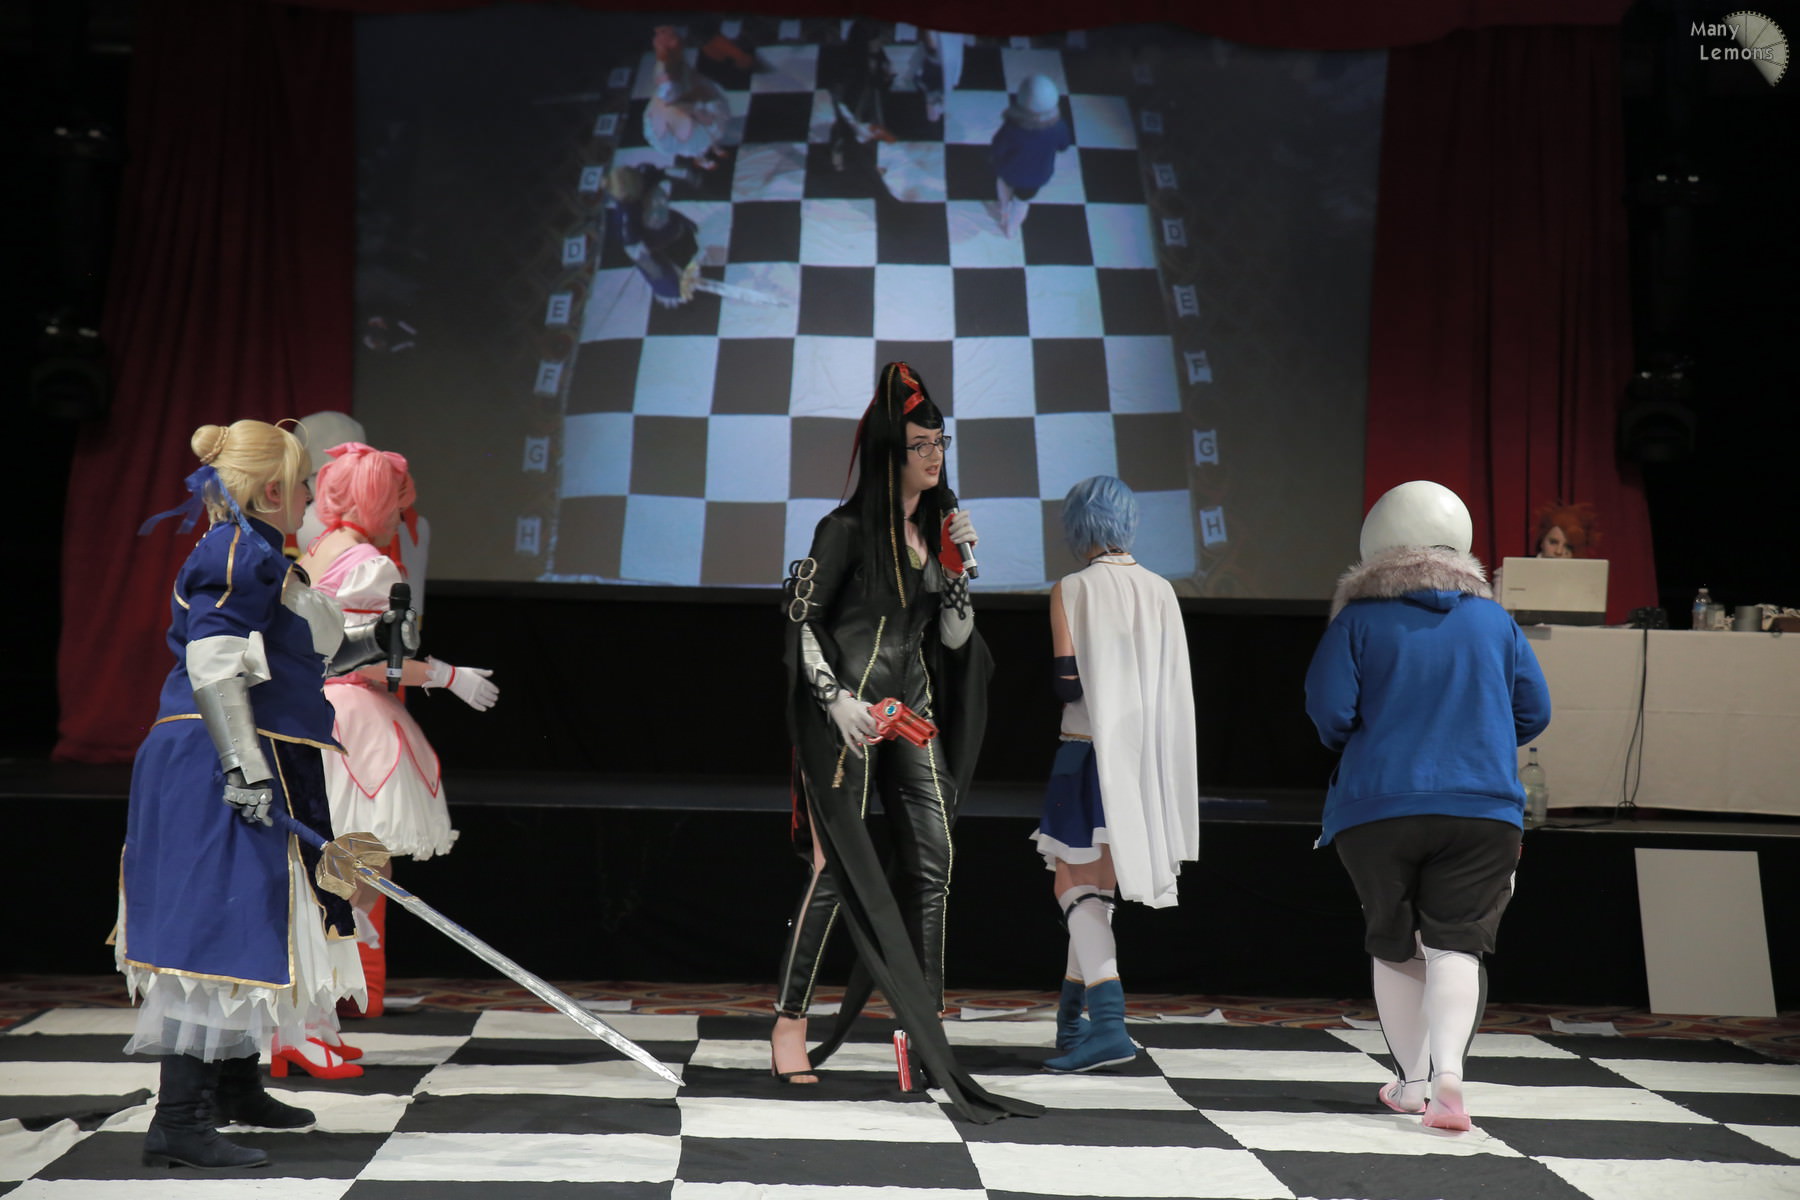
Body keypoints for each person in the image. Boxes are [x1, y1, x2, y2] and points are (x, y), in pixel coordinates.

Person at [118, 419, 409, 1168]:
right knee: (216, 922)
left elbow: (300, 656)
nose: (312, 494)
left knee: (258, 917)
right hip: (218, 758)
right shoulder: (238, 551)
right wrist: (241, 768)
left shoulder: (267, 558)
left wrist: (377, 642)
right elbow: (215, 660)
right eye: (303, 483)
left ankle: (234, 1086)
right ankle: (178, 1122)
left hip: (265, 752)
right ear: (273, 490)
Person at [772, 361, 1038, 1124]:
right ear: (891, 452)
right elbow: (800, 620)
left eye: (941, 443)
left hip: (911, 711)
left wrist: (958, 570)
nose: (935, 456)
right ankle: (789, 1022)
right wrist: (834, 700)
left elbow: (952, 637)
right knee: (835, 870)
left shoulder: (935, 529)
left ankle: (924, 1032)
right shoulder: (844, 530)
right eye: (922, 444)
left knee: (935, 861)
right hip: (850, 715)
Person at [1304, 480, 1551, 1132]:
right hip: (1483, 809)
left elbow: (1329, 714)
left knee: (1395, 945)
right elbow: (1535, 711)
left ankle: (1411, 1084)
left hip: (1378, 807)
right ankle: (1449, 1082)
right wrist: (1479, 732)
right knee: (1455, 945)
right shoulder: (1496, 621)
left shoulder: (1357, 620)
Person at [295, 442, 498, 1024]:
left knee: (340, 866)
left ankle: (318, 1013)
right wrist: (445, 675)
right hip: (352, 719)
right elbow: (360, 659)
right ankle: (316, 1014)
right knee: (359, 867)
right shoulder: (368, 563)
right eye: (397, 504)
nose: (400, 517)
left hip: (311, 713)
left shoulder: (317, 552)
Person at [1033, 476, 1199, 1073]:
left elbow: (1066, 684)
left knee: (1073, 885)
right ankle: (1072, 1023)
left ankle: (1107, 1026)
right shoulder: (1161, 589)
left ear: (1077, 525)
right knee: (1095, 893)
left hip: (1086, 753)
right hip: (1144, 760)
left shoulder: (1072, 588)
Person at [294, 411, 431, 609]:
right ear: (377, 504)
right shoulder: (368, 564)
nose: (399, 521)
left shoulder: (315, 551)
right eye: (396, 508)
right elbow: (363, 630)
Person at [601, 164, 702, 309]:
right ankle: (674, 290)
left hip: (666, 221)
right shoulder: (625, 217)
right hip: (649, 239)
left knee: (687, 242)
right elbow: (636, 251)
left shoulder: (644, 175)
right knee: (662, 274)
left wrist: (687, 175)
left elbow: (665, 172)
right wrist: (657, 273)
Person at [991, 73, 1073, 237]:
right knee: (1022, 203)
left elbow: (997, 147)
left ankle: (1004, 208)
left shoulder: (1012, 128)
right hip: (1037, 177)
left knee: (1003, 183)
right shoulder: (1058, 127)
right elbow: (1064, 146)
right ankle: (1011, 229)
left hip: (1009, 170)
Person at [643, 25, 733, 172]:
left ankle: (714, 148)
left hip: (694, 112)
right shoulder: (665, 118)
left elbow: (699, 95)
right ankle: (703, 159)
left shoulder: (687, 82)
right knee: (696, 144)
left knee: (708, 132)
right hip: (684, 125)